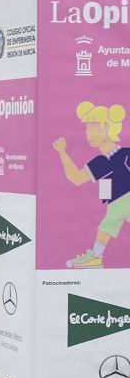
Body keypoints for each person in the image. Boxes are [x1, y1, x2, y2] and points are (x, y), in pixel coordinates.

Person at [53, 101, 130, 268]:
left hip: (123, 202)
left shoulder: (124, 155)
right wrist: (62, 152)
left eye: (90, 127)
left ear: (104, 128)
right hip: (117, 204)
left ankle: (96, 256)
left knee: (114, 213)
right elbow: (76, 178)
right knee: (112, 215)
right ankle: (96, 256)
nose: (87, 133)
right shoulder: (101, 162)